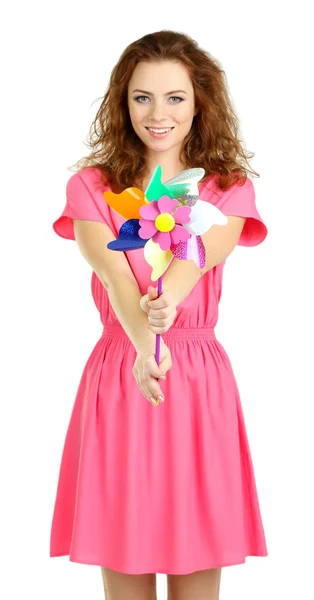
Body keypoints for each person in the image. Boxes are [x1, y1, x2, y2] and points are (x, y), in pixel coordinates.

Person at [49, 30, 268, 600]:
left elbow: (194, 262)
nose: (158, 113)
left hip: (196, 380)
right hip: (124, 374)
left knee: (198, 570)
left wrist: (163, 309)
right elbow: (115, 276)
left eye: (175, 97)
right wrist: (147, 347)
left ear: (199, 104)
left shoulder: (227, 189)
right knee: (123, 556)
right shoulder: (90, 187)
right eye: (142, 97)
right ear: (123, 103)